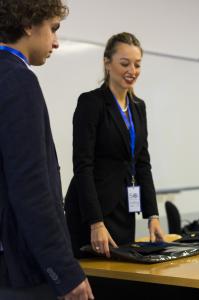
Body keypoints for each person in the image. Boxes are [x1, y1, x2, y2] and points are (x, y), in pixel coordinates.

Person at [0, 1, 94, 299]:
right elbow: (31, 188)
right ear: (28, 25)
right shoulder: (17, 80)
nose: (55, 42)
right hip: (18, 265)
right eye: (53, 29)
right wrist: (63, 270)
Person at [65, 32, 164, 258]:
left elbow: (142, 163)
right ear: (107, 63)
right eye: (124, 63)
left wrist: (153, 215)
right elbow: (82, 166)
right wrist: (95, 222)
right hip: (92, 212)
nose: (132, 71)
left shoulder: (138, 106)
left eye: (137, 64)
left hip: (124, 209)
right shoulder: (91, 102)